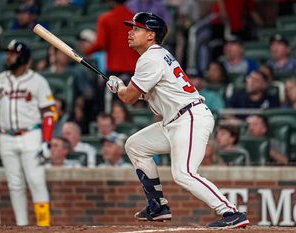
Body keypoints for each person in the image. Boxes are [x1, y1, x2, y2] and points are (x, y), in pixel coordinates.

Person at [105, 12, 249, 228]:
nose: (130, 32)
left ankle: (231, 212)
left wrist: (119, 88)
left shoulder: (150, 58)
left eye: (136, 29)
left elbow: (128, 98)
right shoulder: (157, 56)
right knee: (135, 146)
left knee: (183, 173)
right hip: (175, 120)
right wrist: (123, 89)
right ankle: (157, 205)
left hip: (189, 118)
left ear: (151, 35)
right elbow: (148, 94)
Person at [0, 40, 57, 226]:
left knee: (36, 181)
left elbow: (50, 112)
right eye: (8, 53)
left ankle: (44, 226)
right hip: (7, 137)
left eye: (12, 54)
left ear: (23, 58)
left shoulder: (38, 81)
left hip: (30, 135)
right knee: (15, 185)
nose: (8, 57)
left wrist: (46, 141)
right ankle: (21, 227)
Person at [83, 0, 139, 113]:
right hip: (136, 69)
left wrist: (87, 51)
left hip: (115, 70)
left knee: (107, 105)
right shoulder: (135, 18)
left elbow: (101, 44)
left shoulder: (106, 18)